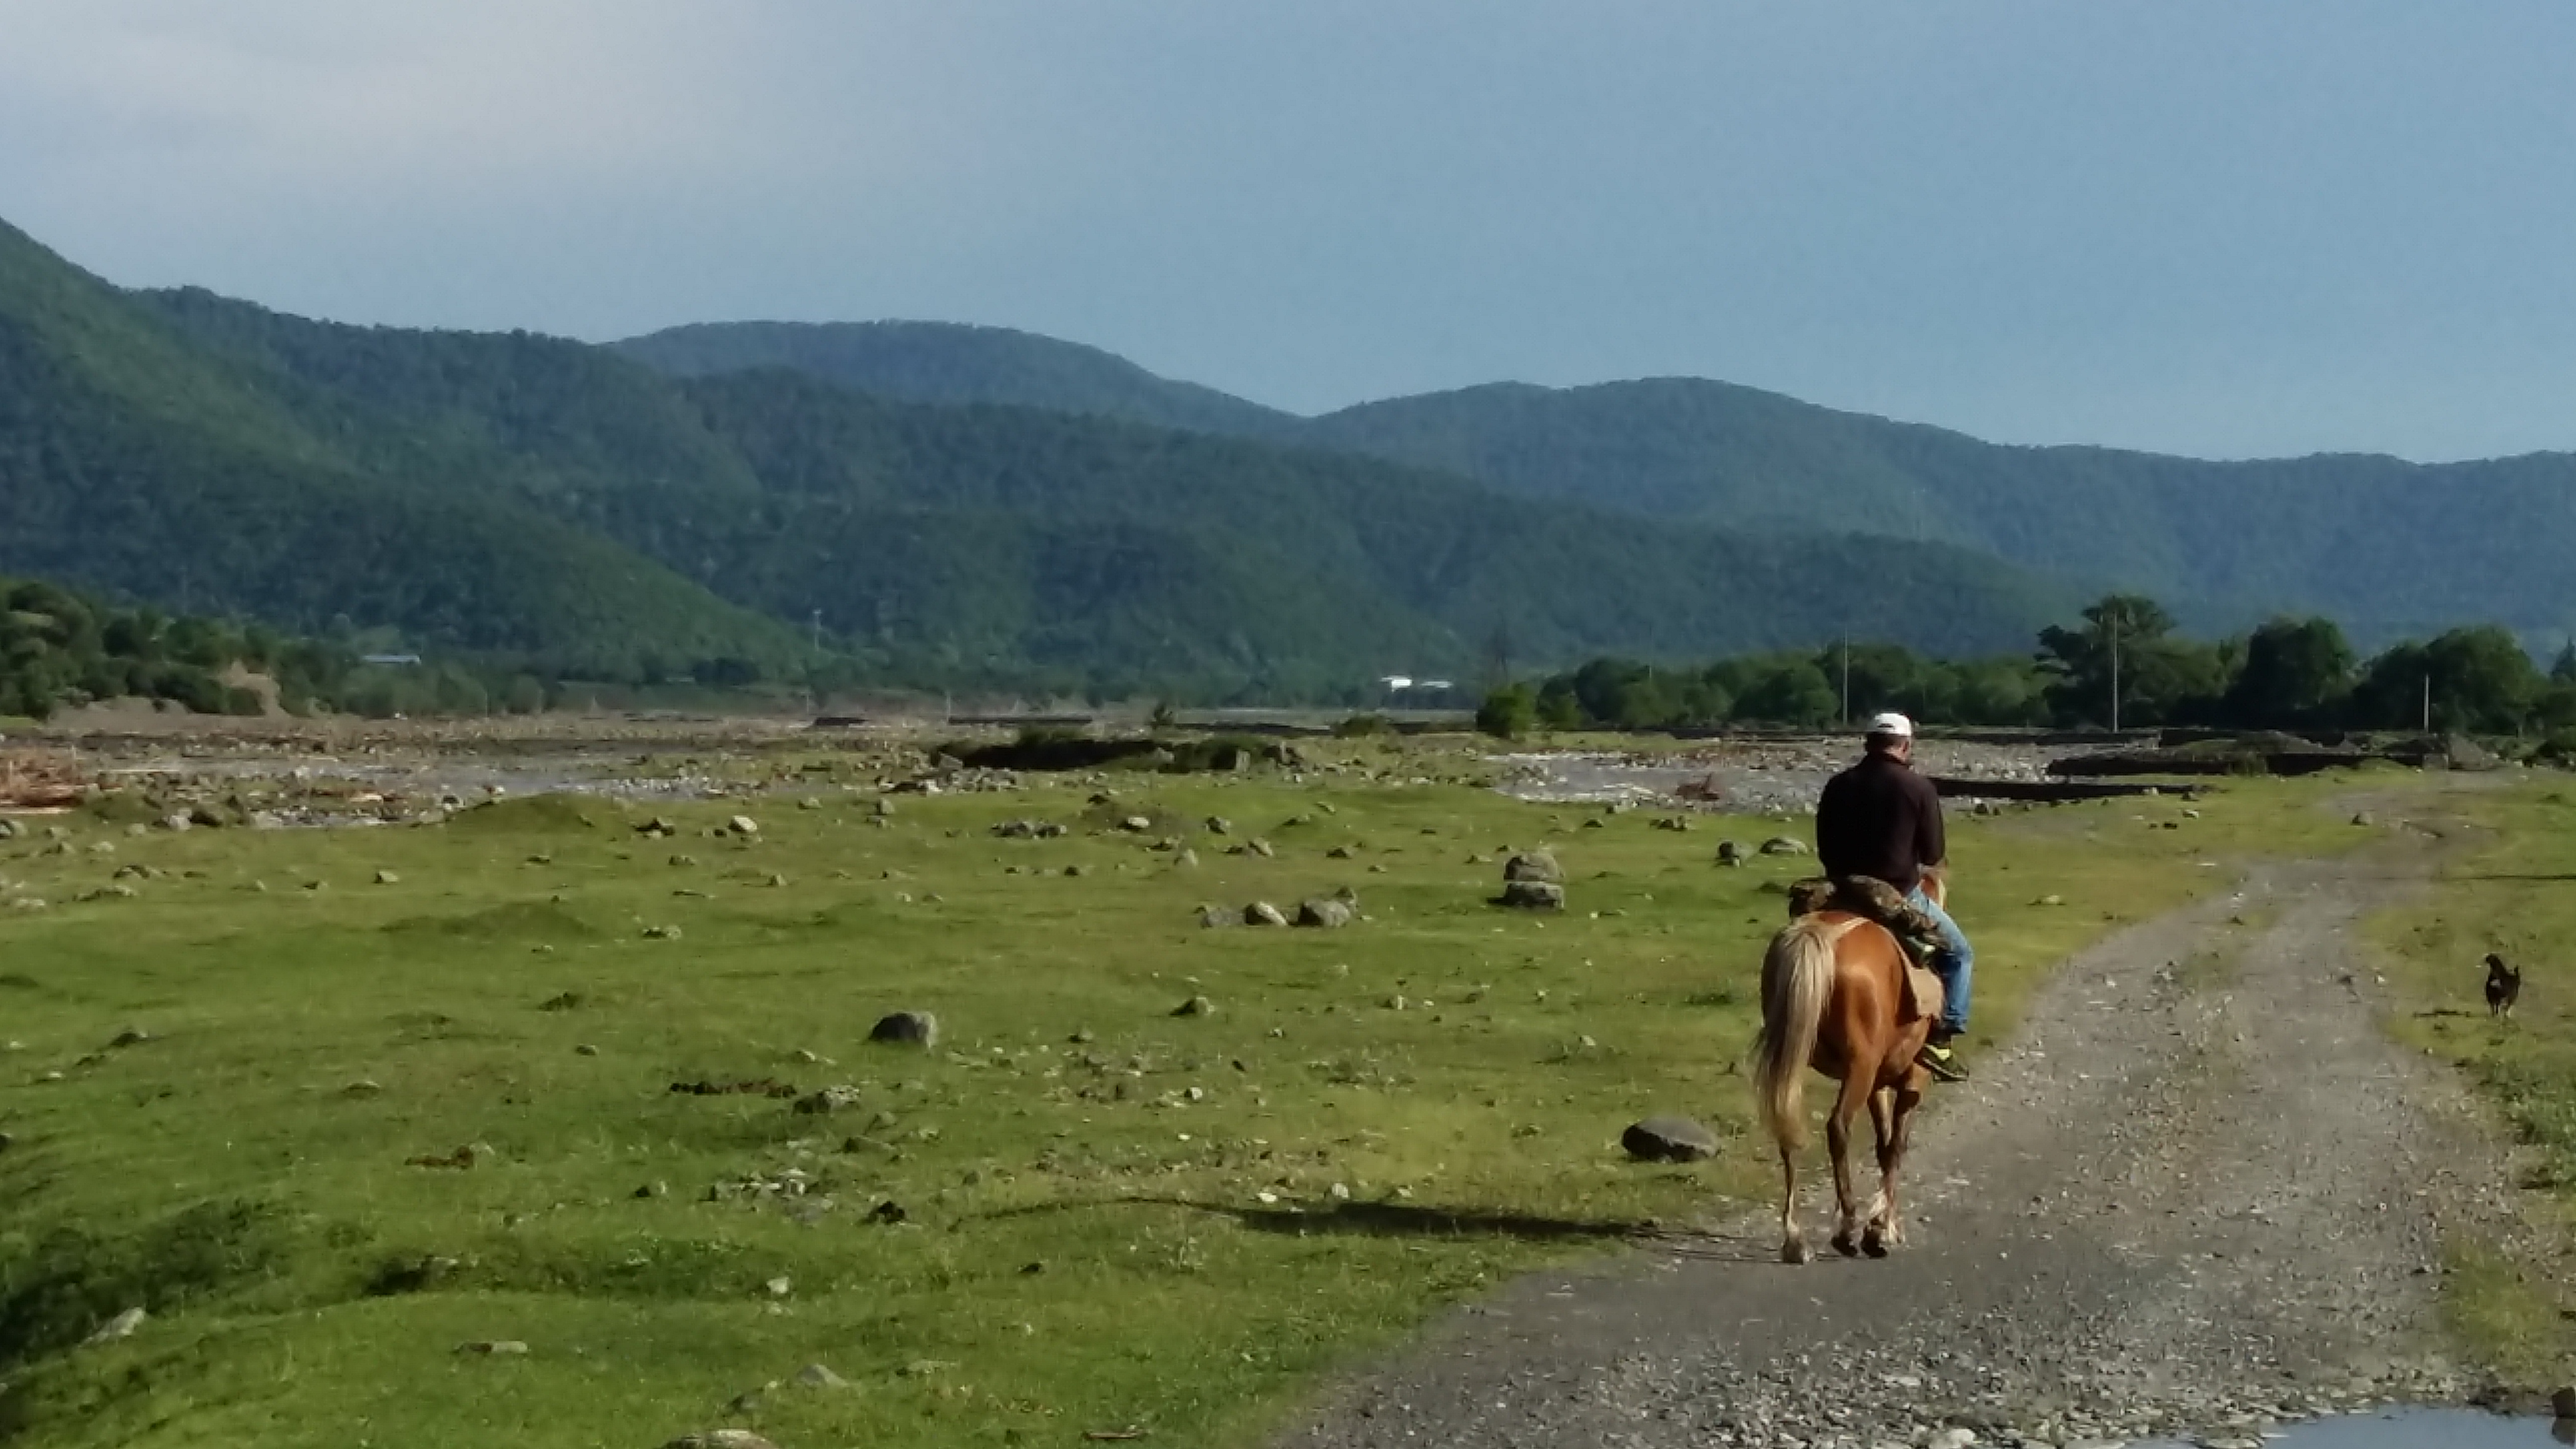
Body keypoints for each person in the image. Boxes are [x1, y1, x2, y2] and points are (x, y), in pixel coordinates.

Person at [1813, 711, 1975, 1081]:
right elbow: (1933, 854)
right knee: (1960, 955)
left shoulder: (1838, 784)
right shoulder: (1917, 787)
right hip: (1897, 894)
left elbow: (1824, 846)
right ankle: (1941, 1039)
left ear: (1868, 743)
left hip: (1841, 890)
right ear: (1905, 745)